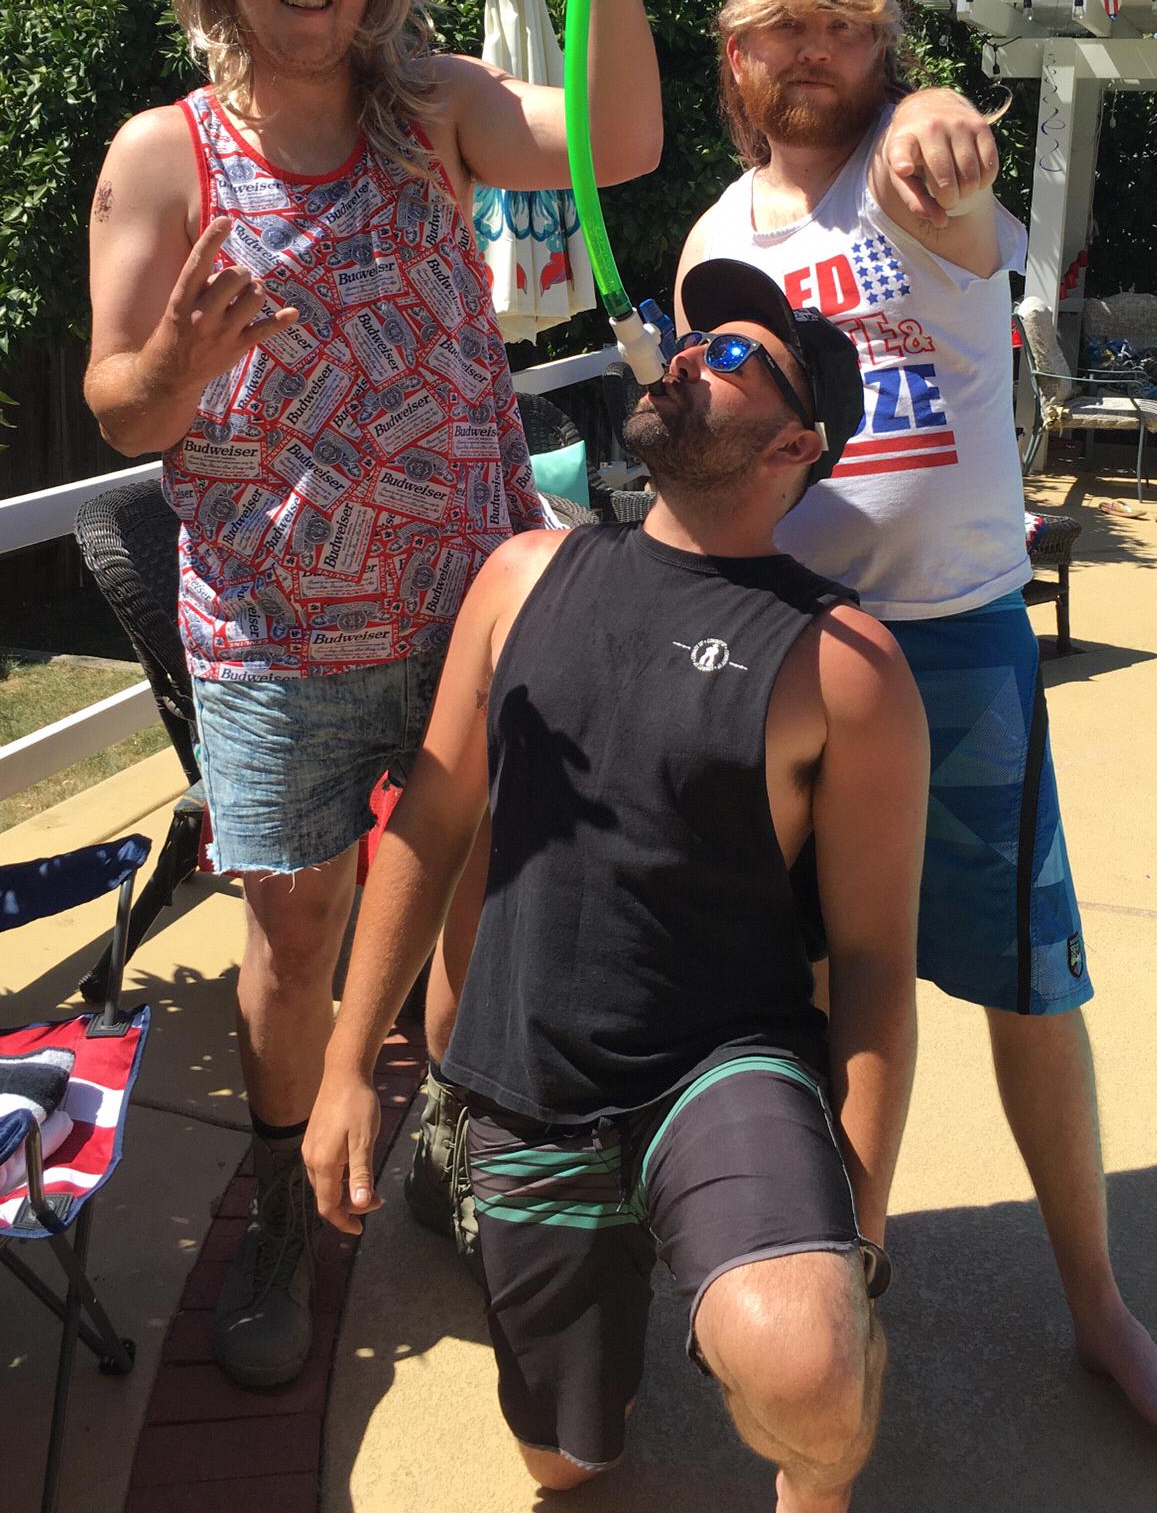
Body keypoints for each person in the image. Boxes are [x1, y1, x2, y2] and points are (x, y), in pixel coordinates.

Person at [83, 0, 661, 1389]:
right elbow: (120, 402)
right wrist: (177, 365)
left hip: (468, 610)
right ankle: (281, 1201)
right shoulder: (164, 155)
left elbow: (619, 140)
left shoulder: (436, 112)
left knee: (483, 892)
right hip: (274, 635)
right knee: (298, 929)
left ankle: (455, 1150)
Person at [675, 0, 1157, 1445]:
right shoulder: (716, 240)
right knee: (805, 987)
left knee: (1030, 989)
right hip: (790, 644)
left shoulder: (917, 172)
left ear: (886, 47)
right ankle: (842, 1270)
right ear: (732, 54)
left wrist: (940, 128)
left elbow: (952, 177)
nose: (813, 52)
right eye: (782, 26)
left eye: (846, 26)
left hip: (959, 645)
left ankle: (1099, 1306)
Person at [305, 259, 929, 1510]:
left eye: (735, 353)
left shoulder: (845, 664)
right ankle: (635, 1282)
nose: (686, 352)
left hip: (720, 1065)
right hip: (529, 1088)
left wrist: (855, 1238)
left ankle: (817, 1457)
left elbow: (871, 965)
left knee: (808, 1368)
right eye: (689, 335)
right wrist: (347, 1061)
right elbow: (430, 820)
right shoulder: (521, 577)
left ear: (797, 443)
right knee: (568, 1461)